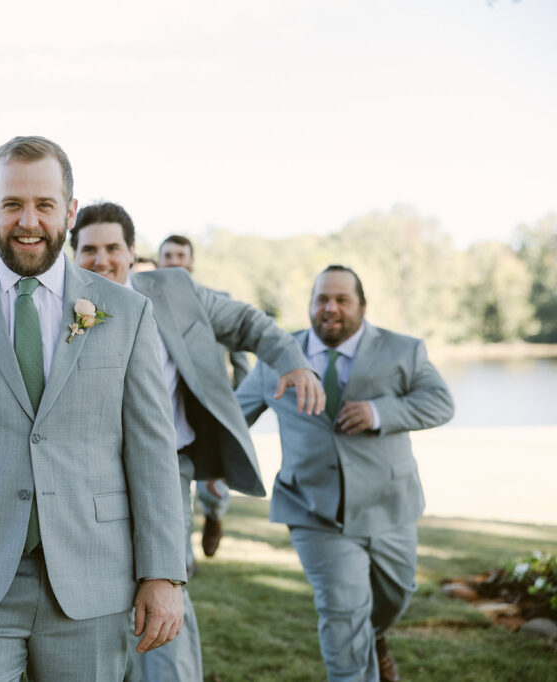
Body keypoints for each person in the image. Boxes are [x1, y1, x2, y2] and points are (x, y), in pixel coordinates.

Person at [0, 137, 187, 681]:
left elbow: (151, 452)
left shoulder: (128, 312)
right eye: (13, 204)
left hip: (93, 581)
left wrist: (162, 572)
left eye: (44, 205)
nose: (28, 221)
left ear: (69, 210)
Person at [70, 202, 323, 681]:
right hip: (82, 476)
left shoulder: (174, 289)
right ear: (72, 254)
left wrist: (293, 360)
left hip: (168, 469)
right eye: (88, 250)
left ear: (131, 253)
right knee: (92, 594)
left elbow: (248, 323)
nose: (101, 260)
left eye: (112, 248)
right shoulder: (53, 308)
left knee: (163, 585)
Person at [235, 265, 454, 682]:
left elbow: (440, 403)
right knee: (343, 612)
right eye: (321, 299)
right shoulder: (276, 359)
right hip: (313, 509)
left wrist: (379, 412)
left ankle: (377, 635)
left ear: (362, 306)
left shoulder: (403, 351)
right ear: (310, 305)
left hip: (390, 507)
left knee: (395, 597)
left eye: (341, 299)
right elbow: (229, 418)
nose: (330, 308)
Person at [157, 233, 250, 557]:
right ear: (159, 261)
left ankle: (214, 516)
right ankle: (182, 555)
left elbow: (240, 362)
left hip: (209, 410)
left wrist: (236, 412)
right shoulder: (145, 300)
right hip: (171, 408)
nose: (175, 261)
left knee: (214, 483)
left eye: (181, 255)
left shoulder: (216, 300)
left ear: (192, 261)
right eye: (168, 255)